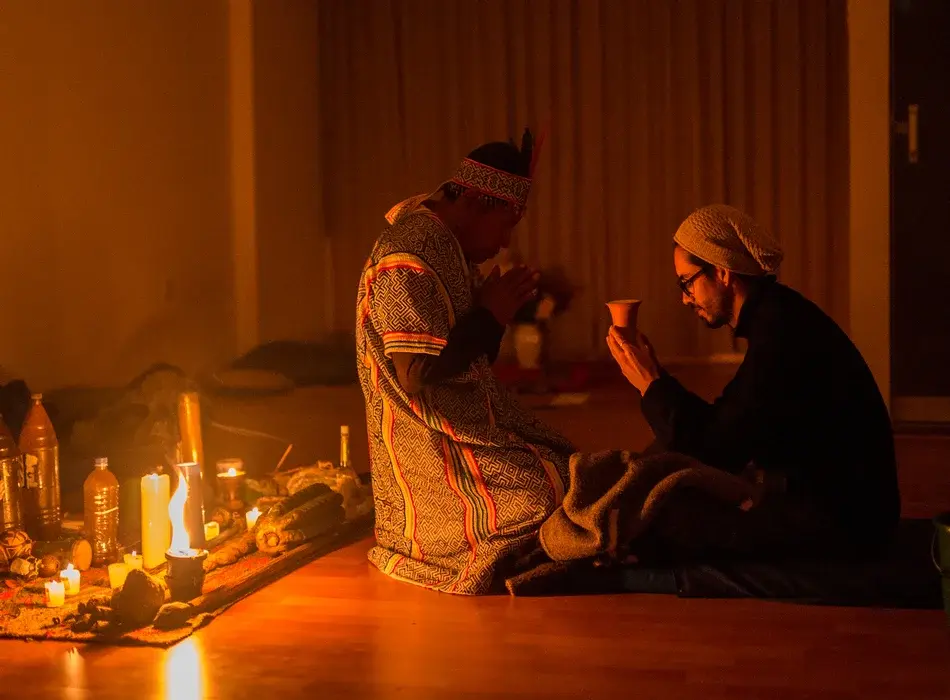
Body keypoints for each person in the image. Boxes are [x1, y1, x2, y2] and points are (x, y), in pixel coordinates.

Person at [606, 204, 901, 558]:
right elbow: (731, 422)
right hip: (830, 501)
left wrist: (651, 383)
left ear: (721, 272)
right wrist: (654, 379)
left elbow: (717, 448)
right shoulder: (780, 315)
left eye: (687, 283)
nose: (685, 298)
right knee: (659, 467)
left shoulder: (782, 334)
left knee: (660, 515)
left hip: (843, 521)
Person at [356, 131, 575, 594]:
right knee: (545, 494)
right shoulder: (410, 252)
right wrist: (489, 314)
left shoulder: (446, 244)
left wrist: (492, 317)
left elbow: (472, 358)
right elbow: (415, 373)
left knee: (568, 466)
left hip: (465, 422)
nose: (505, 242)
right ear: (475, 201)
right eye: (505, 225)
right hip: (427, 442)